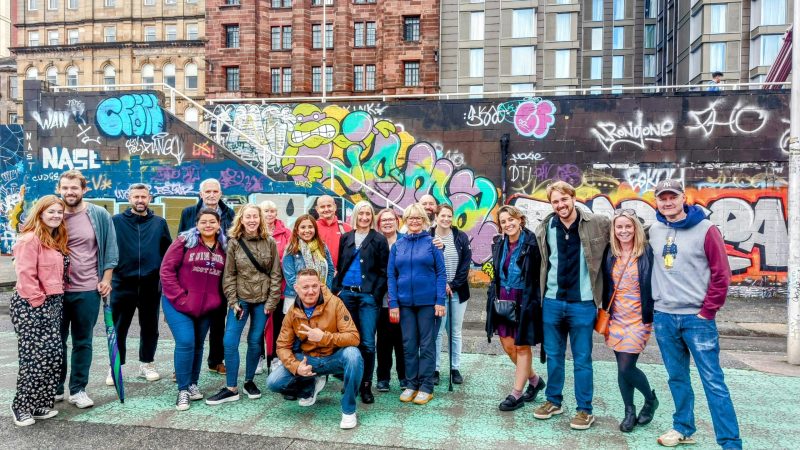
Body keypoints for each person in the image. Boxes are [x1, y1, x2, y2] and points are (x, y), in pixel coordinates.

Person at [649, 180, 741, 448]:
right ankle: (683, 427)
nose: (668, 202)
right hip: (664, 316)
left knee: (713, 382)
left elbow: (721, 274)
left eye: (672, 197)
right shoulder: (654, 229)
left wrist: (707, 311)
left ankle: (730, 442)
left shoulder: (706, 229)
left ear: (683, 198)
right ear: (657, 201)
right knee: (677, 377)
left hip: (696, 319)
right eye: (662, 198)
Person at [533, 180, 610, 430]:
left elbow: (627, 230)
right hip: (552, 302)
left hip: (583, 303)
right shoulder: (545, 227)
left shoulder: (596, 223)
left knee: (582, 359)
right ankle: (554, 401)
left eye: (564, 199)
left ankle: (584, 410)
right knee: (554, 357)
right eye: (555, 201)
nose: (560, 205)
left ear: (573, 198)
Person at [266, 269, 363, 429]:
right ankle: (309, 386)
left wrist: (324, 337)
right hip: (308, 360)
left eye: (314, 286)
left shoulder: (335, 303)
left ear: (320, 285)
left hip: (333, 358)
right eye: (305, 287)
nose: (310, 291)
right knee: (273, 382)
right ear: (296, 288)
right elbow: (282, 346)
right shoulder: (292, 312)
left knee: (353, 354)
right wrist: (297, 367)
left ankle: (348, 409)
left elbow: (354, 337)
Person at [206, 204, 282, 405]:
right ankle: (231, 387)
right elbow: (229, 275)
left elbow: (276, 274)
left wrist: (272, 301)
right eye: (247, 217)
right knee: (230, 341)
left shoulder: (270, 242)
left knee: (255, 341)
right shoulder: (234, 243)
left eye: (255, 217)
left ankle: (249, 381)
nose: (251, 220)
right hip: (240, 300)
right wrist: (232, 300)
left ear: (260, 219)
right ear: (241, 219)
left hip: (263, 301)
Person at [56, 170, 118, 409]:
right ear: (59, 189)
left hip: (87, 289)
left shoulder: (99, 214)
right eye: (65, 188)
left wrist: (106, 279)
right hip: (56, 291)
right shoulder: (52, 213)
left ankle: (78, 389)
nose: (69, 192)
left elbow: (111, 249)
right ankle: (56, 387)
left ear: (84, 190)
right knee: (56, 341)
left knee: (83, 341)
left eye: (74, 188)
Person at [10, 195, 69, 426]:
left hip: (53, 303)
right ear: (40, 213)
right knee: (33, 359)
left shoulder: (54, 238)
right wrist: (38, 302)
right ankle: (21, 407)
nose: (56, 215)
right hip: (31, 304)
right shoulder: (30, 239)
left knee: (52, 356)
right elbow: (25, 275)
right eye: (51, 211)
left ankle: (38, 405)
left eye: (59, 212)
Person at [160, 209, 227, 411]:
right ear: (197, 224)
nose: (208, 225)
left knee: (198, 344)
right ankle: (182, 390)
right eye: (203, 222)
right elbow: (166, 270)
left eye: (212, 222)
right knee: (186, 341)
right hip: (177, 303)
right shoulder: (184, 241)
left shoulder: (224, 246)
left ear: (218, 224)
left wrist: (216, 301)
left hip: (206, 307)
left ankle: (192, 383)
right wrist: (181, 297)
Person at [109, 183, 172, 386]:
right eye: (136, 196)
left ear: (149, 198)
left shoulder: (159, 223)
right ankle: (115, 367)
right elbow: (109, 251)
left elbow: (167, 254)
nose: (139, 200)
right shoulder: (116, 222)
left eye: (143, 197)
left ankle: (147, 363)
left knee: (150, 327)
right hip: (122, 283)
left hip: (150, 285)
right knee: (120, 327)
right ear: (129, 198)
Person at [601, 209, 657, 433]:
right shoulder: (610, 252)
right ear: (614, 230)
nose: (624, 231)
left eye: (628, 226)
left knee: (627, 367)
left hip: (638, 318)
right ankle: (629, 411)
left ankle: (650, 399)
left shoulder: (647, 252)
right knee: (621, 367)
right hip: (615, 317)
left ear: (636, 228)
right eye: (619, 227)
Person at [485, 205, 546, 412]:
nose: (508, 224)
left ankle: (516, 394)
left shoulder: (532, 243)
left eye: (511, 219)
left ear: (520, 219)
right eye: (503, 222)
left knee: (522, 346)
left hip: (524, 298)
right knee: (509, 346)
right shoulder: (499, 244)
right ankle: (535, 380)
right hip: (503, 299)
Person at [387, 203, 447, 405]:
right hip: (404, 304)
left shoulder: (432, 244)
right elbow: (391, 276)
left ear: (424, 221)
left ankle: (426, 386)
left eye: (418, 218)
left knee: (427, 345)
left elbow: (441, 273)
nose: (414, 221)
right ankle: (411, 384)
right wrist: (393, 302)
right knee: (409, 345)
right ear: (405, 221)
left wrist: (440, 300)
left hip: (428, 304)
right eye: (410, 218)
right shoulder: (398, 246)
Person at [334, 201, 390, 404]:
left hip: (367, 297)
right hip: (346, 295)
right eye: (361, 213)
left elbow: (384, 271)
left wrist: (374, 294)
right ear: (355, 215)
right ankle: (351, 382)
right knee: (349, 341)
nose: (364, 217)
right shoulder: (346, 237)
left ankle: (366, 385)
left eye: (368, 214)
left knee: (367, 343)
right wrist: (338, 290)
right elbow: (340, 265)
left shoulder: (379, 239)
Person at [178, 178, 235, 375]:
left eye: (215, 191)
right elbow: (181, 242)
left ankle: (215, 360)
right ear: (200, 194)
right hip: (194, 276)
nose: (211, 195)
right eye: (207, 191)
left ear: (220, 193)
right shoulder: (188, 213)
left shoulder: (229, 213)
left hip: (219, 275)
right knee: (190, 322)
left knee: (219, 320)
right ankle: (183, 364)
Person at [430, 204, 472, 386]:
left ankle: (455, 368)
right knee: (437, 332)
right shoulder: (429, 236)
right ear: (436, 217)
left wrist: (452, 284)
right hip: (436, 293)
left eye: (449, 216)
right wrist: (440, 286)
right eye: (443, 216)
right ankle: (435, 369)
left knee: (455, 332)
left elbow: (465, 265)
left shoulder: (460, 237)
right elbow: (426, 264)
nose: (446, 219)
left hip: (457, 292)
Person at [282, 214, 335, 326]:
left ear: (315, 229)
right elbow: (290, 278)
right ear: (297, 230)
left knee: (318, 332)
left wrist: (325, 290)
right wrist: (308, 294)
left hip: (321, 298)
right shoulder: (291, 249)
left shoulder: (322, 247)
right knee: (297, 335)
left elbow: (330, 270)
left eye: (310, 227)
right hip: (296, 298)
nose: (307, 230)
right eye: (303, 227)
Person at [374, 208, 406, 392]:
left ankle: (403, 377)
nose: (387, 223)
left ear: (397, 221)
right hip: (381, 300)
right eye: (383, 220)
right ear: (379, 224)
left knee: (402, 341)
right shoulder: (376, 241)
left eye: (390, 219)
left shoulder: (405, 241)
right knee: (383, 341)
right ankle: (383, 378)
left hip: (403, 300)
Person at [259, 200, 292, 374]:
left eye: (272, 211)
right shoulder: (255, 232)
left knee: (278, 325)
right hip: (258, 289)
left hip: (280, 289)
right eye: (266, 211)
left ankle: (275, 358)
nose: (270, 214)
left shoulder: (286, 233)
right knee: (258, 325)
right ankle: (259, 356)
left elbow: (288, 259)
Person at [314, 195, 351, 267]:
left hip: (340, 275)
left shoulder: (347, 228)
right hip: (317, 275)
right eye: (322, 207)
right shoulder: (311, 228)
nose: (326, 209)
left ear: (335, 207)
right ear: (317, 209)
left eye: (329, 206)